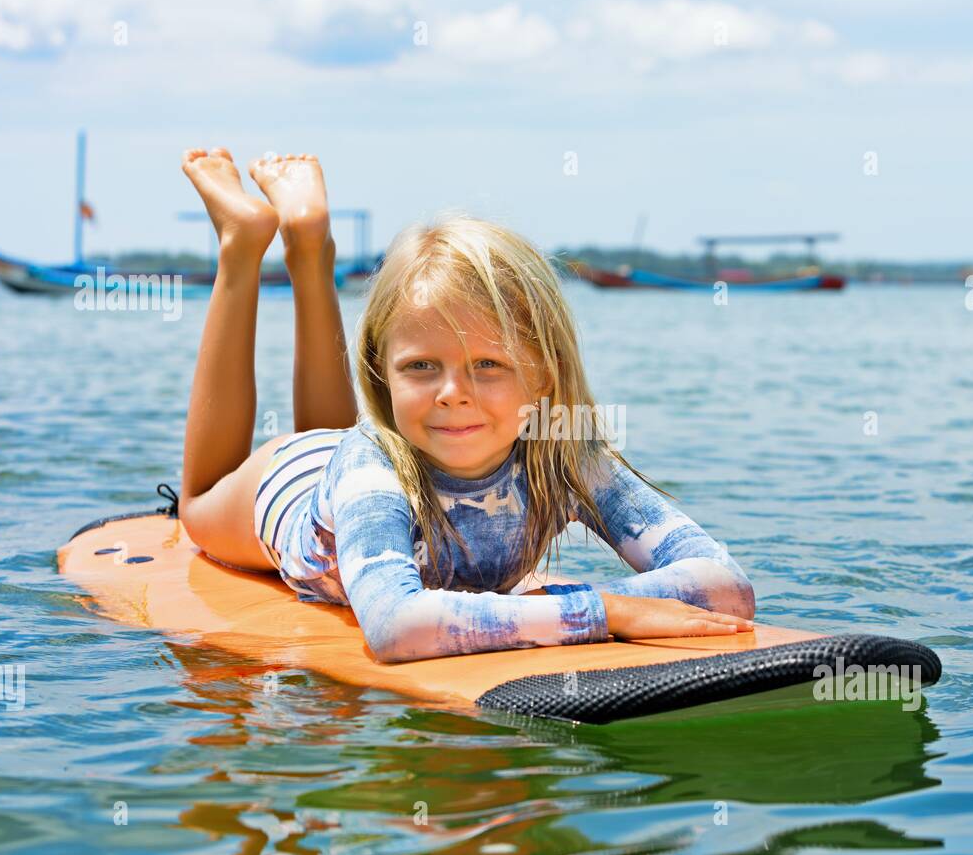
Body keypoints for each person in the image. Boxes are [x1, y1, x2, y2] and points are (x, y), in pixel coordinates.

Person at [177, 147, 756, 663]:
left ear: (543, 375)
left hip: (364, 457)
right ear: (382, 374)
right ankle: (242, 243)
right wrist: (602, 612)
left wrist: (548, 605)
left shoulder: (564, 449)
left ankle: (306, 245)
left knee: (354, 437)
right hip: (289, 486)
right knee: (197, 504)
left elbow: (726, 586)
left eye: (488, 365)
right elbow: (394, 626)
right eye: (420, 367)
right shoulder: (367, 470)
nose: (453, 391)